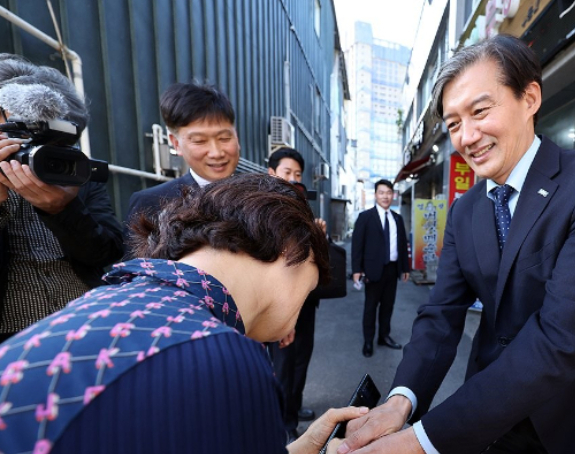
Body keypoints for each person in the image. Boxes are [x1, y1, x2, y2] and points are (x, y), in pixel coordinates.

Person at [338, 35, 575, 454]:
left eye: (480, 111)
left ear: (530, 97)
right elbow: (441, 314)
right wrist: (401, 400)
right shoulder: (465, 210)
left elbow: (560, 337)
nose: (467, 136)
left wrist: (420, 441)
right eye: (454, 123)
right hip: (498, 423)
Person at [0, 173, 365, 454]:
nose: (298, 315)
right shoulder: (223, 353)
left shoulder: (103, 302)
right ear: (292, 249)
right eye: (310, 288)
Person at [0, 54, 123, 343]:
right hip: (11, 335)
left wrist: (64, 210)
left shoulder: (70, 167)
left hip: (86, 319)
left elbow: (109, 250)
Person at [124, 82, 240, 249]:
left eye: (224, 138)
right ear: (175, 143)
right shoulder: (149, 204)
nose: (216, 152)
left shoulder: (263, 197)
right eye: (199, 141)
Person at [268, 147, 323, 440]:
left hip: (306, 303)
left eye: (297, 174)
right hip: (276, 305)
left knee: (302, 359)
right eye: (286, 172)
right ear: (272, 173)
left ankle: (295, 406)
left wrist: (318, 235)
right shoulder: (259, 208)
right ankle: (284, 422)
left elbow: (316, 260)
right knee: (283, 365)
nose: (292, 178)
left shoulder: (304, 208)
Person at [351, 179, 410, 358]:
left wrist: (405, 268)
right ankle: (368, 340)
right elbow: (357, 246)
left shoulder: (397, 219)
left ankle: (384, 336)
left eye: (388, 192)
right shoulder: (365, 217)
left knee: (388, 306)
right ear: (376, 195)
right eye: (381, 192)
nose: (385, 196)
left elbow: (402, 245)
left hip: (392, 269)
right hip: (372, 270)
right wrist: (356, 270)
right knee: (370, 307)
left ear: (393, 195)